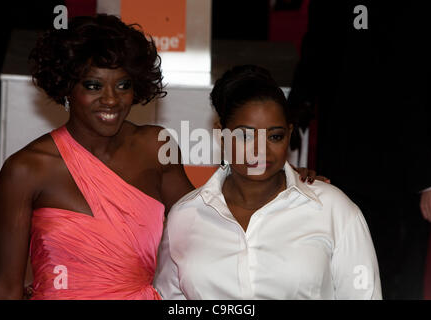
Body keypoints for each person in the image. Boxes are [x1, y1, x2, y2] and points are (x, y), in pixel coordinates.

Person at [0, 15, 320, 300]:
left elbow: (210, 216)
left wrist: (279, 177)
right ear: (65, 88)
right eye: (93, 86)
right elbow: (6, 288)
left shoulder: (154, 146)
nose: (111, 100)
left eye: (123, 85)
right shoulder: (26, 170)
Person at [153, 65, 382, 299]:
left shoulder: (334, 210)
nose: (260, 150)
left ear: (289, 134)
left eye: (274, 136)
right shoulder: (185, 215)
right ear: (221, 134)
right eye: (246, 135)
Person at [286, 1, 431, 299]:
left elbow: (418, 77)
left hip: (389, 171)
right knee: (349, 276)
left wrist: (428, 177)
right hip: (358, 169)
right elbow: (317, 52)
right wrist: (294, 112)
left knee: (381, 278)